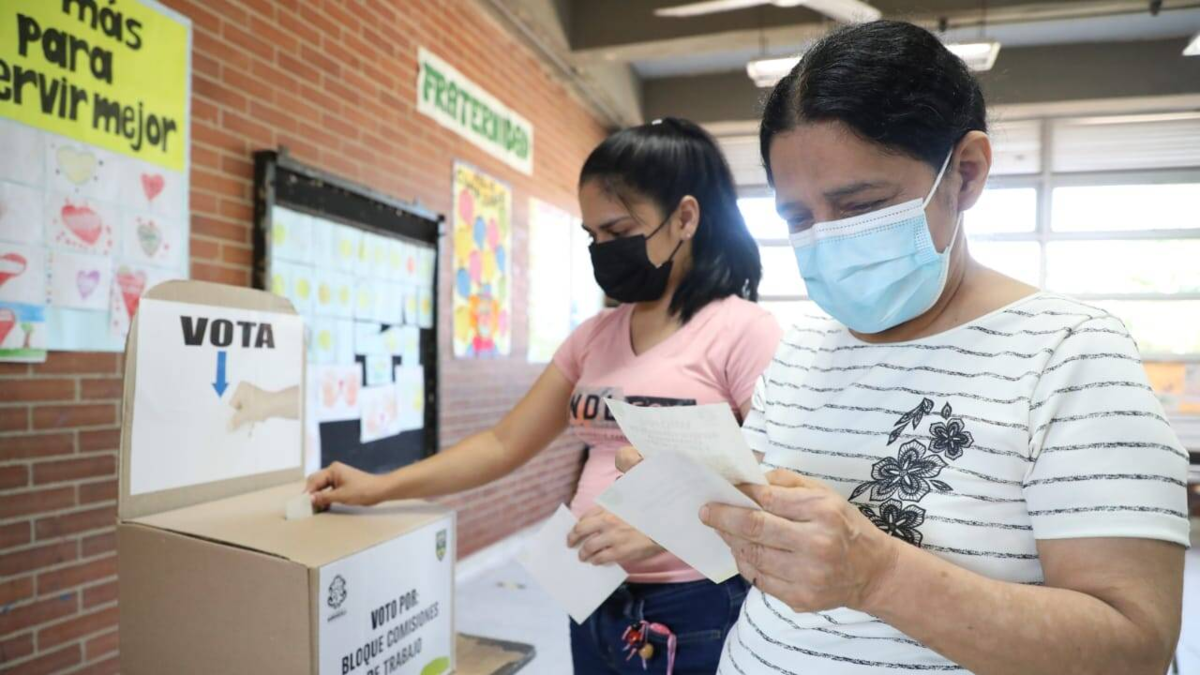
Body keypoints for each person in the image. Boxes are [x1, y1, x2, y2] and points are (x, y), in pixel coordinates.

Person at [620, 20, 1189, 675]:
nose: (826, 240)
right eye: (798, 218)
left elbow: (1134, 648)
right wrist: (697, 500)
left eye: (861, 206)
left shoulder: (1069, 355)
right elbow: (777, 552)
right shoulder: (802, 348)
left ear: (966, 174)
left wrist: (880, 576)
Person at [306, 117, 784, 674]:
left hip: (695, 605)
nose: (602, 249)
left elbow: (777, 478)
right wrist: (377, 487)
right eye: (592, 236)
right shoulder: (594, 337)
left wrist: (663, 529)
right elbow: (502, 443)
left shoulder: (742, 331)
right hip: (592, 594)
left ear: (684, 218)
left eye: (618, 230)